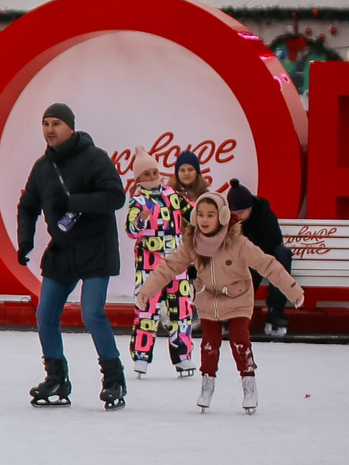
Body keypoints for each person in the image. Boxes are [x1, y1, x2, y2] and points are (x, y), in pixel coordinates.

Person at [132, 191, 303, 414]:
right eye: (200, 214)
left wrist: (293, 290)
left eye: (210, 215)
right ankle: (207, 383)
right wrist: (146, 291)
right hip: (209, 299)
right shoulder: (193, 244)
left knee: (239, 340)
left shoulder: (238, 242)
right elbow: (169, 266)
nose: (204, 219)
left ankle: (248, 381)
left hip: (238, 298)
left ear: (222, 216)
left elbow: (267, 264)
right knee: (209, 345)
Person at [15, 102, 127, 407]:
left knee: (92, 312)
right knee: (45, 314)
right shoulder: (43, 166)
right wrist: (25, 240)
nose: (50, 130)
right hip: (63, 250)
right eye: (46, 123)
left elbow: (116, 195)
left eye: (56, 124)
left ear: (70, 127)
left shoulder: (94, 158)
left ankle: (114, 379)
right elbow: (27, 205)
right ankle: (56, 378)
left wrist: (74, 201)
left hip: (96, 248)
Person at [121, 157, 196, 377]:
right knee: (147, 309)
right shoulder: (137, 201)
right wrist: (141, 221)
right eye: (147, 174)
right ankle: (141, 356)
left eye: (155, 172)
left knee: (181, 310)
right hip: (149, 264)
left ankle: (183, 356)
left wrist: (210, 211)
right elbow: (131, 231)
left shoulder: (172, 195)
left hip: (176, 261)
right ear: (138, 178)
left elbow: (192, 212)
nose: (153, 177)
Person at [220, 180, 296, 341]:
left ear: (250, 208)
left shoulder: (265, 214)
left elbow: (274, 241)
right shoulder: (227, 220)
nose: (238, 216)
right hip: (240, 262)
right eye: (235, 212)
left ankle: (276, 310)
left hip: (263, 256)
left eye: (242, 211)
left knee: (282, 254)